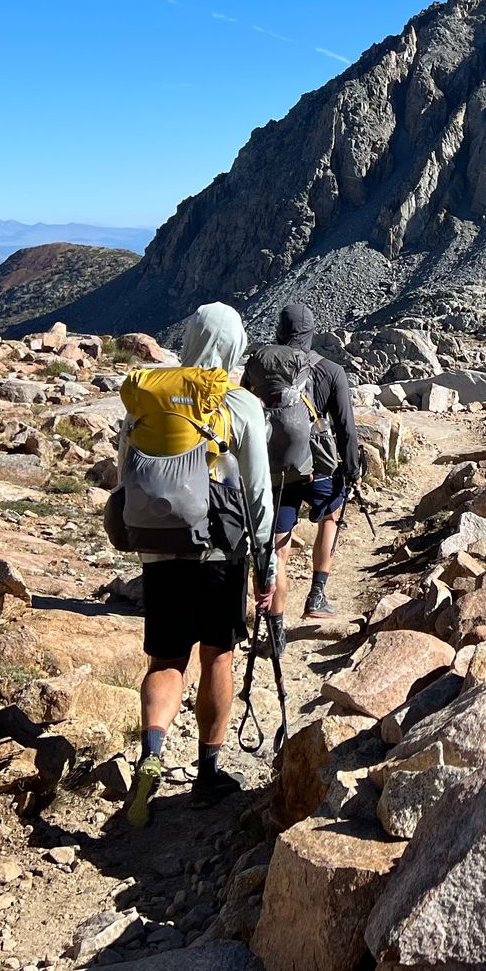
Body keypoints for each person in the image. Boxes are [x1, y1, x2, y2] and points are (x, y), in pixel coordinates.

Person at [125, 302, 274, 827]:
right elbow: (258, 493)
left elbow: (128, 469)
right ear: (235, 348)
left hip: (161, 550)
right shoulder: (240, 405)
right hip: (220, 553)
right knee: (218, 658)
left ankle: (152, 751)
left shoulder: (150, 397)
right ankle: (208, 775)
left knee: (165, 662)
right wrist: (267, 564)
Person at [244, 300, 362, 622]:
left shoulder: (259, 365)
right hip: (317, 470)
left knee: (278, 550)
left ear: (279, 331)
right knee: (332, 513)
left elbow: (244, 414)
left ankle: (276, 626)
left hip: (274, 469)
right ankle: (317, 595)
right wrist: (351, 471)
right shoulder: (331, 371)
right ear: (311, 333)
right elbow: (345, 429)